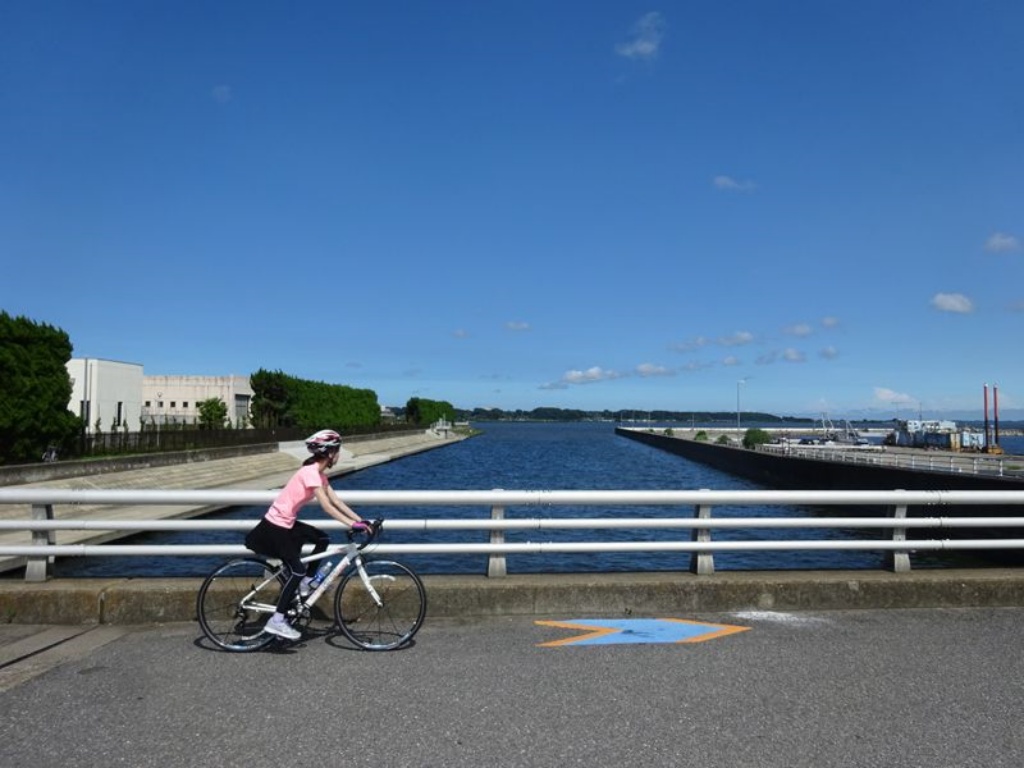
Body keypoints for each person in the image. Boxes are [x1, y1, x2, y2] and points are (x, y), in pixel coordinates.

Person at [245, 428, 367, 640]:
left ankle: (305, 583)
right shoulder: (310, 473)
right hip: (275, 527)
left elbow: (336, 501)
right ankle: (277, 621)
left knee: (322, 538)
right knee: (297, 570)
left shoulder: (318, 473)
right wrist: (351, 525)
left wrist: (361, 521)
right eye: (337, 450)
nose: (338, 454)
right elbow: (327, 507)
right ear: (329, 453)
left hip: (286, 523)